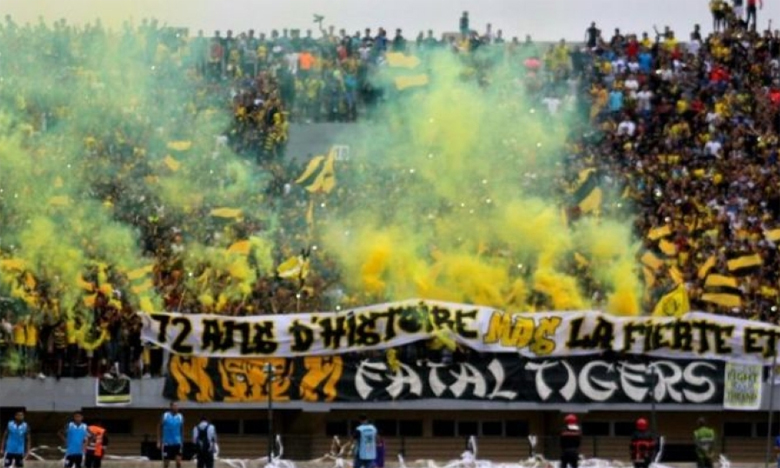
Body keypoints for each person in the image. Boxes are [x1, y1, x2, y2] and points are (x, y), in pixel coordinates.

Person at [158, 402, 184, 468]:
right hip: (167, 443)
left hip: (177, 443)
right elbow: (159, 427)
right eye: (175, 406)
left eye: (177, 406)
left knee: (178, 462)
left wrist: (182, 441)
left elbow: (181, 430)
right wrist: (159, 440)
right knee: (166, 464)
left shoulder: (180, 416)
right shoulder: (165, 415)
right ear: (171, 407)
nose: (177, 407)